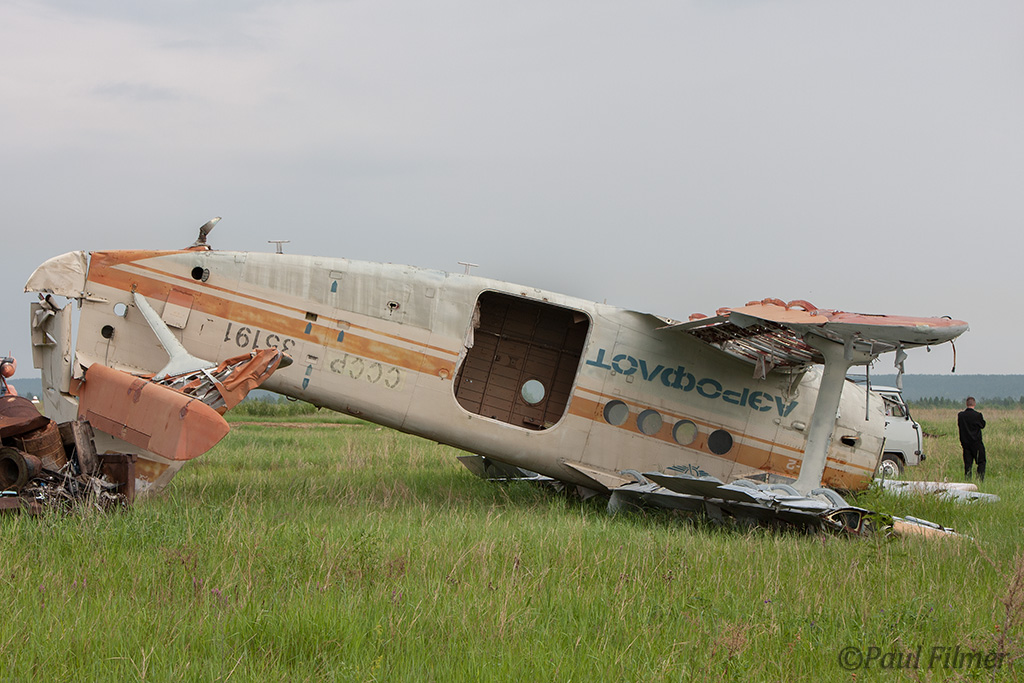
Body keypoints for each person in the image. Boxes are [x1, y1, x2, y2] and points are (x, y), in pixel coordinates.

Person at [957, 397, 986, 481]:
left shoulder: (961, 415)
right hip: (976, 443)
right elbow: (982, 425)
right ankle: (979, 479)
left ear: (966, 404)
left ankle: (967, 480)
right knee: (981, 461)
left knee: (968, 464)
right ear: (974, 404)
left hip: (965, 443)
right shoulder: (977, 415)